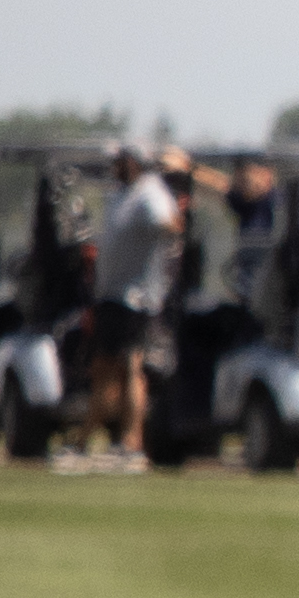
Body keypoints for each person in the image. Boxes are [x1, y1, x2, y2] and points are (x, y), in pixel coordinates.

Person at [92, 150, 185, 460]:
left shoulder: (149, 192)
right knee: (109, 368)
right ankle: (113, 438)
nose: (115, 166)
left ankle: (130, 441)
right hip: (112, 295)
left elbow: (170, 224)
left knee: (130, 366)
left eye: (120, 161)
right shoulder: (123, 194)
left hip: (135, 297)